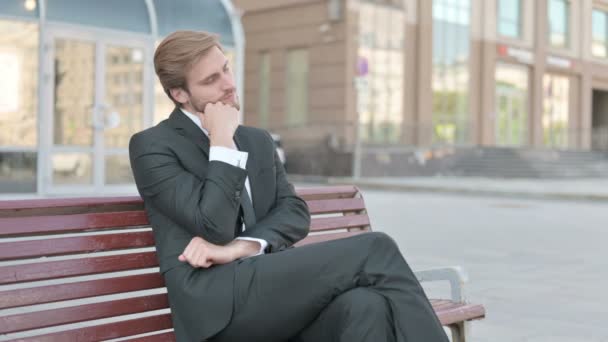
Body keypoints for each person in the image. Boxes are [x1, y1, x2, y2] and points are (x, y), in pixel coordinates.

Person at [129, 30, 448, 342]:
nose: (228, 85)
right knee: (375, 248)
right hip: (218, 307)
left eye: (225, 69)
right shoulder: (153, 147)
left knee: (366, 307)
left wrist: (240, 248)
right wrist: (222, 141)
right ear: (179, 94)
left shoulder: (256, 140)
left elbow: (294, 212)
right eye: (210, 80)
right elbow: (213, 226)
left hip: (271, 293)